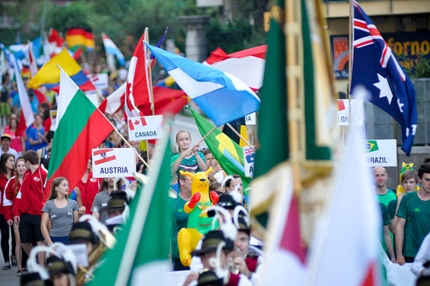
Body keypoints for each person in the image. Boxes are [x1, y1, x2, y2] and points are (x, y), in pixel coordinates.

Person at [14, 150, 48, 266]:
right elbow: (20, 194)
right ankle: (35, 260)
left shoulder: (43, 173)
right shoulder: (27, 175)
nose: (24, 167)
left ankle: (42, 268)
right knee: (24, 242)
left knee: (40, 242)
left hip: (39, 213)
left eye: (24, 163)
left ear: (28, 162)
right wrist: (16, 213)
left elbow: (48, 193)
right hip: (25, 213)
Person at [183, 230, 252, 286]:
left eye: (218, 255)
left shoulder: (241, 282)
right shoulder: (194, 283)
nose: (214, 261)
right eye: (209, 256)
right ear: (202, 260)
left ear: (227, 257)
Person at [395, 164, 430, 264]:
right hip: (410, 254)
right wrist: (399, 254)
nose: (429, 183)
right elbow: (399, 227)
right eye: (427, 180)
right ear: (419, 179)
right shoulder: (408, 199)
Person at [3, 157, 27, 276]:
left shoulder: (31, 178)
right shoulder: (12, 181)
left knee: (28, 241)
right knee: (18, 241)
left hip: (30, 214)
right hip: (16, 216)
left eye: (23, 165)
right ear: (16, 168)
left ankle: (29, 265)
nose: (21, 168)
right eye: (19, 166)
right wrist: (8, 217)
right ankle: (19, 268)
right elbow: (6, 201)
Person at [41, 177, 81, 245]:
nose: (67, 187)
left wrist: (81, 214)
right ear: (56, 188)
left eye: (68, 185)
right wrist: (50, 243)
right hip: (54, 238)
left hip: (69, 238)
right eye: (64, 185)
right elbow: (43, 226)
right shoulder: (48, 204)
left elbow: (76, 223)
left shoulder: (73, 203)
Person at [171, 170, 194, 271]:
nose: (195, 181)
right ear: (182, 182)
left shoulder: (202, 200)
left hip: (199, 252)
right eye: (191, 179)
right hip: (180, 253)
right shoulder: (173, 202)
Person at [0, 153, 15, 270]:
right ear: (4, 162)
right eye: (10, 160)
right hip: (1, 211)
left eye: (13, 160)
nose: (13, 163)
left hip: (15, 210)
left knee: (16, 236)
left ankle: (14, 255)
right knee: (5, 235)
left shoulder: (16, 176)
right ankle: (6, 260)